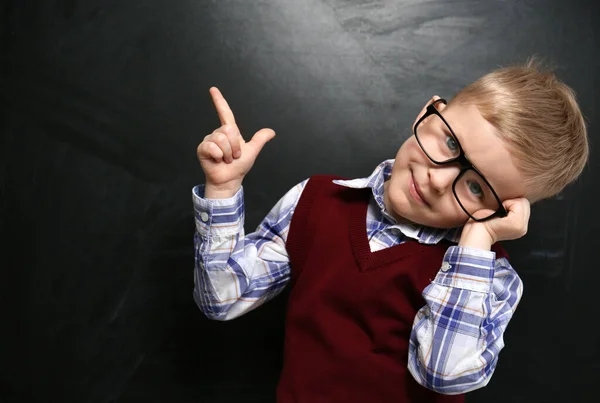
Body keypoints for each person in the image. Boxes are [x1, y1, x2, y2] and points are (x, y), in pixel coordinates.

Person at [191, 58, 588, 403]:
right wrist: (223, 192)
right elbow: (222, 299)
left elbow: (441, 374)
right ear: (427, 112)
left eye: (475, 186)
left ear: (503, 211)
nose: (437, 180)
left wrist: (477, 241)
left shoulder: (489, 279)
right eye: (450, 142)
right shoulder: (314, 201)